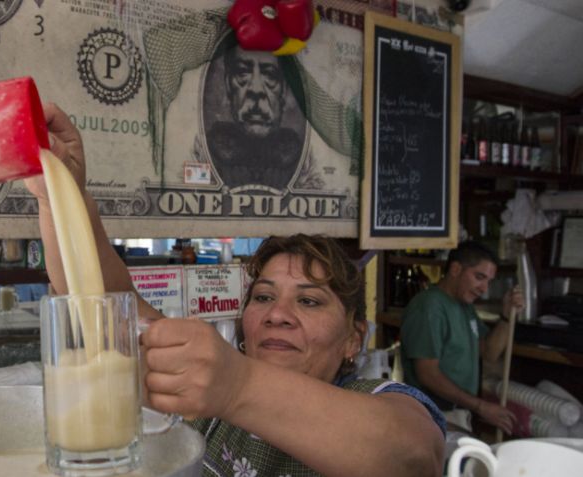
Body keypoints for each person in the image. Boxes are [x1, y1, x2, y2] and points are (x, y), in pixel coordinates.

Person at [26, 103, 446, 476]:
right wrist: (61, 192)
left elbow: (414, 455)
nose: (277, 313)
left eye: (309, 300)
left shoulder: (370, 397)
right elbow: (101, 298)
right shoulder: (208, 391)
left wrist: (238, 386)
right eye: (263, 296)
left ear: (354, 337)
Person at [400, 241, 524, 435]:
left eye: (489, 281)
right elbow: (427, 374)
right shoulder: (430, 307)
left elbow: (489, 352)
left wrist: (507, 316)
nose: (484, 288)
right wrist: (481, 407)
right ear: (456, 269)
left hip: (456, 412)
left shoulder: (465, 306)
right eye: (479, 277)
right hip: (432, 415)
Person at [205, 46, 306, 191]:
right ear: (228, 85)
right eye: (242, 72)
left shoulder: (296, 156)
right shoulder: (211, 150)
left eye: (270, 75)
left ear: (283, 90)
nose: (256, 89)